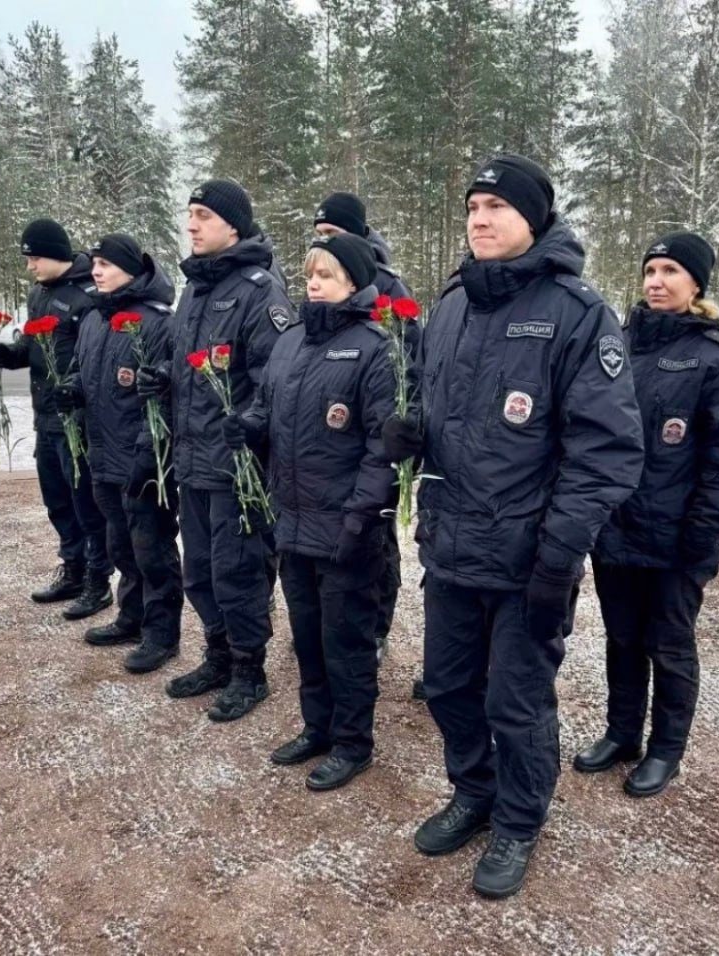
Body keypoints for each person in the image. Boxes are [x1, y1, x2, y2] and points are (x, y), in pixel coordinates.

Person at [381, 154, 645, 899]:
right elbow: (445, 414)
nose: (479, 219)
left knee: (517, 702)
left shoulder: (577, 312)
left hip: (531, 558)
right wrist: (411, 435)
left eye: (495, 206)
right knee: (448, 685)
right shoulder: (454, 304)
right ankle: (474, 791)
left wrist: (561, 554)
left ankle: (521, 821)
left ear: (533, 218)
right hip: (453, 546)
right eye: (471, 207)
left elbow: (607, 451)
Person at [573, 232, 719, 797]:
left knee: (670, 644)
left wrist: (700, 532)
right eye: (650, 270)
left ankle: (665, 750)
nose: (656, 282)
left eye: (670, 272)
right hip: (617, 530)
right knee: (622, 637)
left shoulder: (718, 361)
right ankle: (622, 733)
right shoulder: (619, 350)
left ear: (696, 284)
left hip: (678, 540)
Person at [228, 233, 395, 791]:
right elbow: (265, 406)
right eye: (310, 275)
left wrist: (362, 516)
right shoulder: (291, 341)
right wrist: (248, 428)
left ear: (353, 281)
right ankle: (317, 726)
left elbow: (382, 445)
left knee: (346, 640)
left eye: (325, 274)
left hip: (345, 525)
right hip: (292, 519)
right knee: (306, 636)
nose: (313, 283)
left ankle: (353, 742)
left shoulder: (374, 347)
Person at [145, 179, 294, 723]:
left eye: (203, 215)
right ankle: (218, 655)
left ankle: (249, 670)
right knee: (200, 572)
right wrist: (158, 376)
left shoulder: (260, 291)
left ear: (233, 224)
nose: (191, 225)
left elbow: (275, 378)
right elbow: (187, 362)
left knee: (240, 571)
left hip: (236, 465)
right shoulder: (195, 291)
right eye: (189, 215)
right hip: (192, 459)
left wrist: (250, 424)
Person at [53, 234, 185, 672]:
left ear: (131, 269)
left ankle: (162, 633)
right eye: (94, 263)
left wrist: (151, 451)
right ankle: (132, 616)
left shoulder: (158, 321)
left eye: (106, 264)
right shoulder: (94, 319)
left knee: (152, 548)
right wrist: (71, 390)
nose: (96, 271)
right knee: (120, 543)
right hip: (103, 454)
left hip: (144, 459)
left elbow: (169, 394)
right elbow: (81, 372)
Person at [0, 219, 112, 620]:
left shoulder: (88, 294)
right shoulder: (39, 294)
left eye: (35, 258)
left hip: (79, 420)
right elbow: (36, 346)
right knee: (57, 500)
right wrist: (12, 355)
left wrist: (76, 387)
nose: (30, 266)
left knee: (85, 503)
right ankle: (72, 567)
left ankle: (98, 578)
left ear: (57, 254)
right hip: (47, 417)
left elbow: (97, 356)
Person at [314, 192, 415, 670]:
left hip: (376, 434)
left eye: (333, 235)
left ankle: (377, 625)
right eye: (319, 236)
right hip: (331, 437)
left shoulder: (390, 287)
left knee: (379, 541)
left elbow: (407, 358)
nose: (324, 243)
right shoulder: (320, 287)